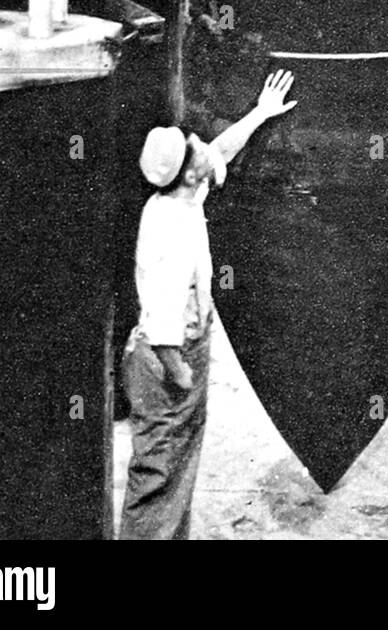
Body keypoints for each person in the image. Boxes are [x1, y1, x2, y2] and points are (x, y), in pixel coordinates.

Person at [120, 69, 297, 541]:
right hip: (164, 361)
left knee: (175, 467)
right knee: (157, 472)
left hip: (178, 350)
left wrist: (260, 112)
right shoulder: (170, 233)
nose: (199, 139)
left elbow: (219, 151)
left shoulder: (179, 196)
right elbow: (161, 323)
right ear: (189, 172)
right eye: (190, 143)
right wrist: (182, 375)